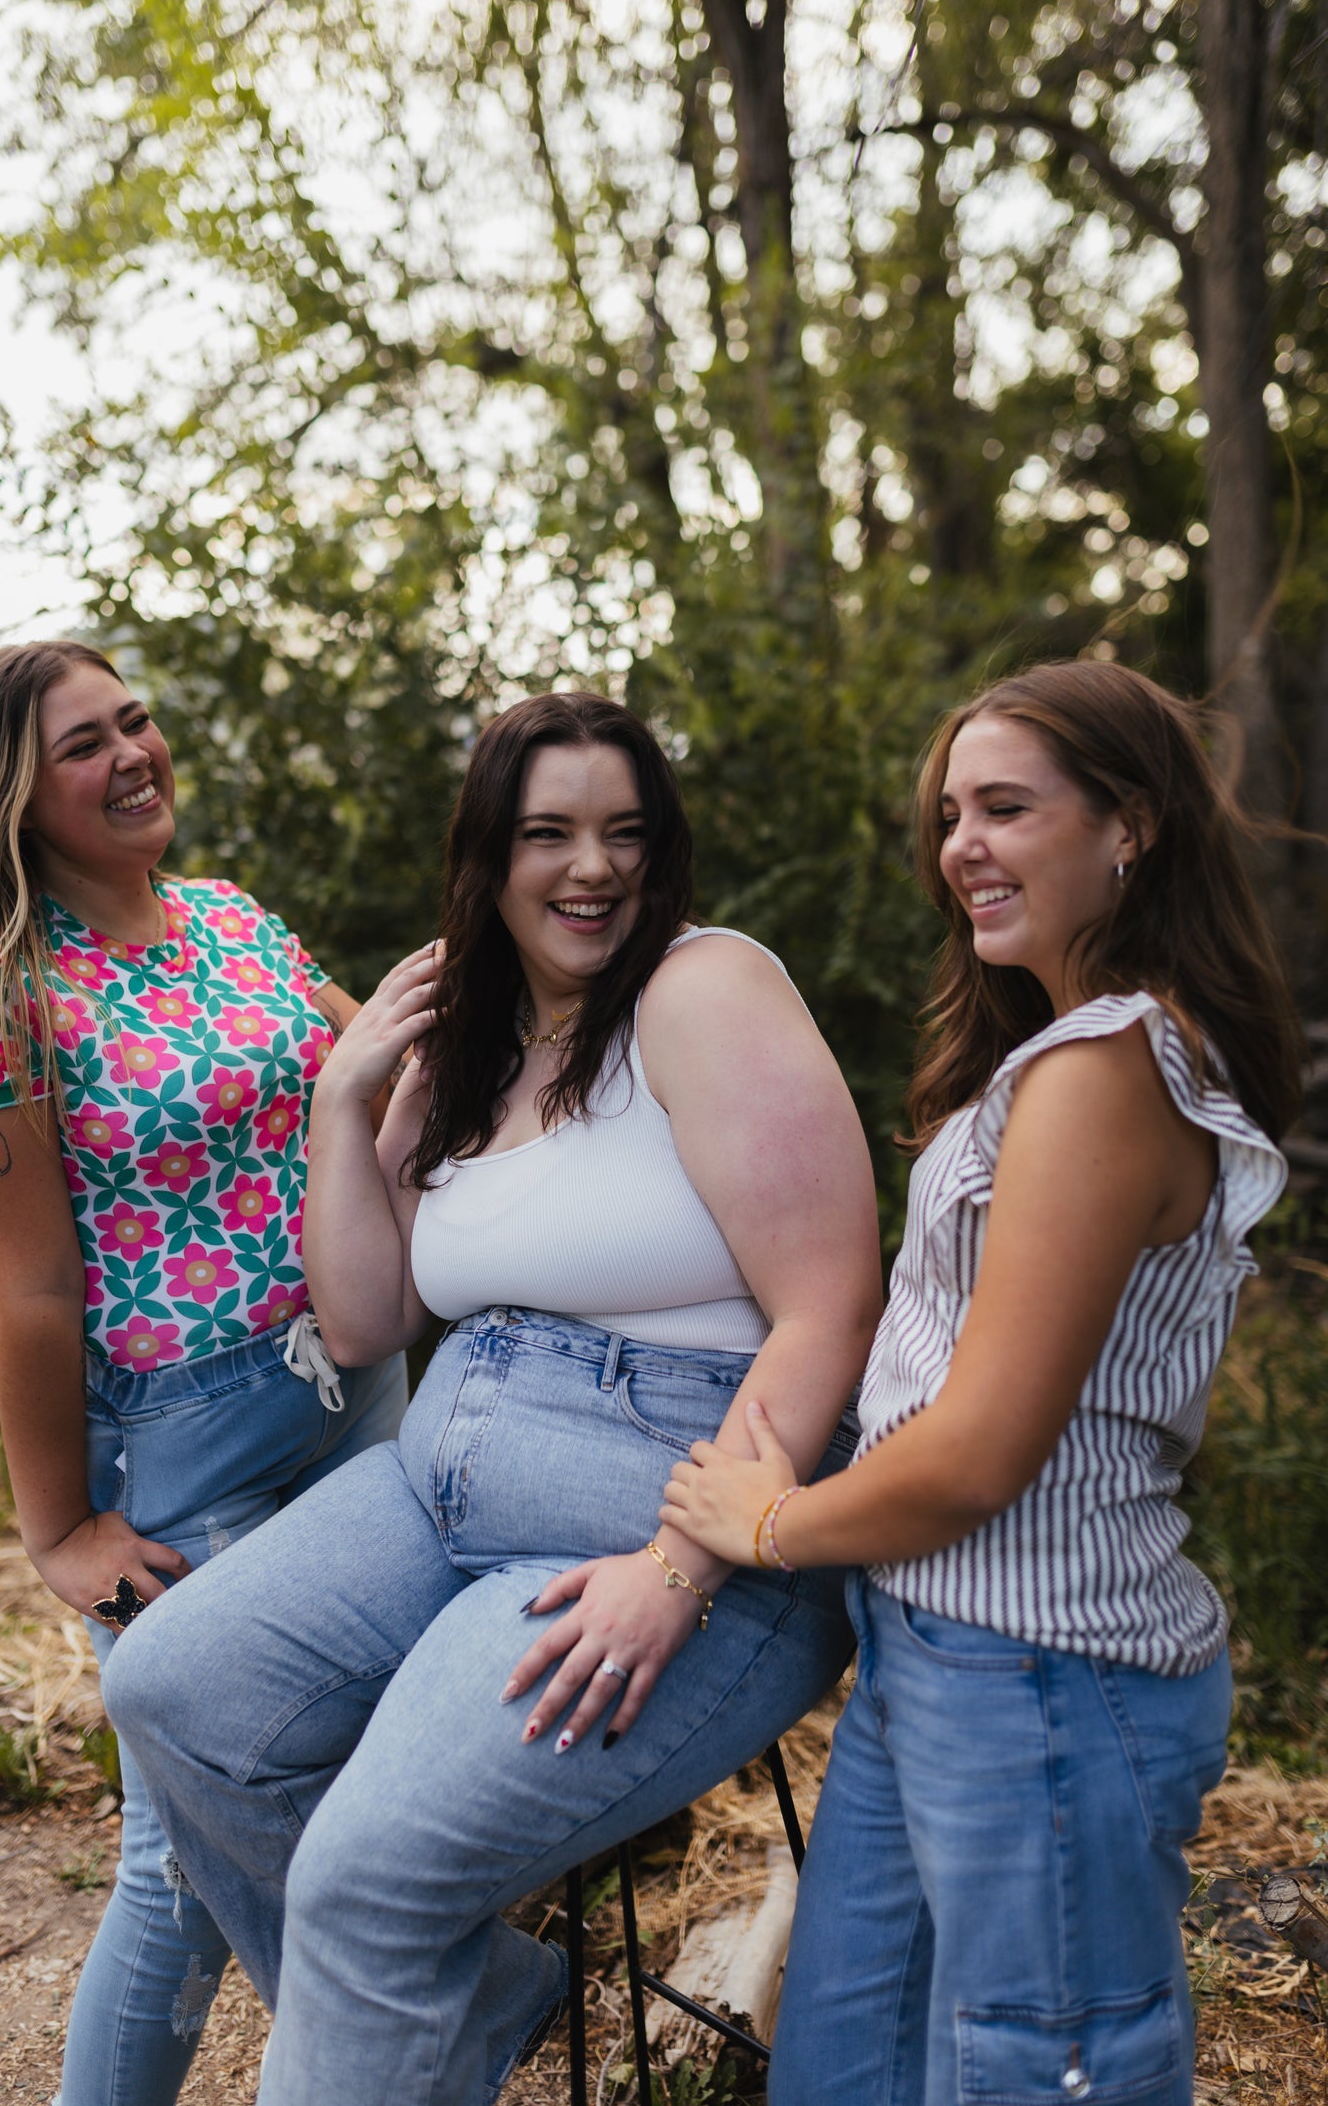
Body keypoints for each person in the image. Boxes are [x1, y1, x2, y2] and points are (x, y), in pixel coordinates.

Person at [99, 688, 882, 2104]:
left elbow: (831, 1305)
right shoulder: (478, 1040)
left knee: (360, 1884)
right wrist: (349, 1099)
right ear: (486, 854)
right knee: (168, 1688)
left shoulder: (700, 989)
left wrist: (677, 1566)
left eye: (624, 833)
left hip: (659, 1505)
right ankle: (468, 1997)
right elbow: (363, 1318)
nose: (592, 867)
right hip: (436, 1479)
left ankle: (395, 1971)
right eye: (548, 833)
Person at [662, 658, 1301, 2106]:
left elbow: (977, 1451)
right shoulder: (1055, 1055)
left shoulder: (1105, 1072)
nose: (961, 848)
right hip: (936, 1649)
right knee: (844, 2066)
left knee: (1037, 2072)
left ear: (1127, 826)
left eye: (1006, 808)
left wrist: (764, 1521)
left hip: (1043, 1674)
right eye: (952, 814)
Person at [0, 641, 408, 2106]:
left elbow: (378, 1069)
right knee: (185, 1855)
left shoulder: (233, 922)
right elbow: (35, 1290)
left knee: (372, 1787)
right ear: (10, 790)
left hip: (360, 1398)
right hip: (189, 1459)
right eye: (82, 745)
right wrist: (56, 1533)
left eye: (137, 722)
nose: (132, 754)